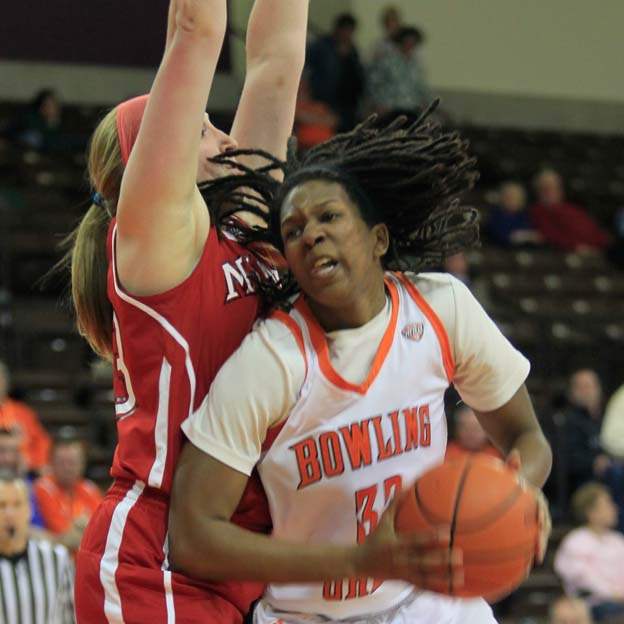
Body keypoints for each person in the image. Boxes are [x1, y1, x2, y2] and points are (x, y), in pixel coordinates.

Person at [169, 107, 552, 623]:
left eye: (328, 217)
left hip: (429, 602)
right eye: (293, 230)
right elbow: (193, 536)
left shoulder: (442, 308)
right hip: (310, 615)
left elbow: (527, 436)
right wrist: (355, 561)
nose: (310, 235)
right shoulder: (272, 362)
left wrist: (517, 491)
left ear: (378, 239)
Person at [64, 1, 309, 622]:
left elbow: (276, 63)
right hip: (158, 554)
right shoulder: (154, 242)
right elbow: (196, 29)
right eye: (200, 129)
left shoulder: (244, 225)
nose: (226, 139)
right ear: (151, 162)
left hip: (238, 547)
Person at [0, 471, 75, 623]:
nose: (10, 514)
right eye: (2, 505)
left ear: (29, 510)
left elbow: (71, 617)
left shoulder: (57, 559)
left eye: (17, 504)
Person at [554, 483, 624, 622]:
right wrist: (614, 594)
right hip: (593, 604)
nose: (614, 509)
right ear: (591, 513)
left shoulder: (618, 540)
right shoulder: (575, 541)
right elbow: (584, 579)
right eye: (607, 505)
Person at [33, 433, 102, 553]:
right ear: (51, 463)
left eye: (72, 462)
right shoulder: (43, 488)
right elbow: (64, 536)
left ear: (82, 464)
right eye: (62, 462)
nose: (67, 468)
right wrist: (88, 528)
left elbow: (104, 528)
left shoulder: (89, 489)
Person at [306, 13, 365, 132]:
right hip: (324, 100)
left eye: (350, 31)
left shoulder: (352, 49)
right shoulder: (321, 46)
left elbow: (358, 74)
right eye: (346, 30)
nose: (347, 34)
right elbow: (308, 69)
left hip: (348, 103)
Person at [529, 169, 610, 253]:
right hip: (568, 253)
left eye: (555, 187)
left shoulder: (574, 209)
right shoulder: (538, 211)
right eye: (546, 188)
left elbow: (598, 234)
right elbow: (550, 235)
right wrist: (576, 246)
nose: (551, 191)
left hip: (596, 250)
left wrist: (597, 245)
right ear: (538, 191)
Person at [367, 25, 432, 118]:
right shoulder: (387, 62)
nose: (410, 45)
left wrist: (426, 103)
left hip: (412, 109)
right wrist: (378, 103)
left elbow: (421, 87)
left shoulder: (416, 65)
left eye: (413, 43)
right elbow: (374, 84)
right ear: (400, 42)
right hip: (390, 109)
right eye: (407, 42)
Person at [0, 359, 51, 474]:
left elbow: (42, 443)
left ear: (6, 383)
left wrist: (34, 464)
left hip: (23, 473)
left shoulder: (23, 413)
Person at [0, 426, 46, 529]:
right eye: (2, 451)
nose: (8, 459)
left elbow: (36, 525)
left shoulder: (28, 484)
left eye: (13, 451)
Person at [486, 181, 542, 247]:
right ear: (502, 198)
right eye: (507, 197)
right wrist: (522, 236)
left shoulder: (525, 215)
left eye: (514, 197)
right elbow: (500, 236)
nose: (511, 200)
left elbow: (536, 235)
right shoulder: (495, 216)